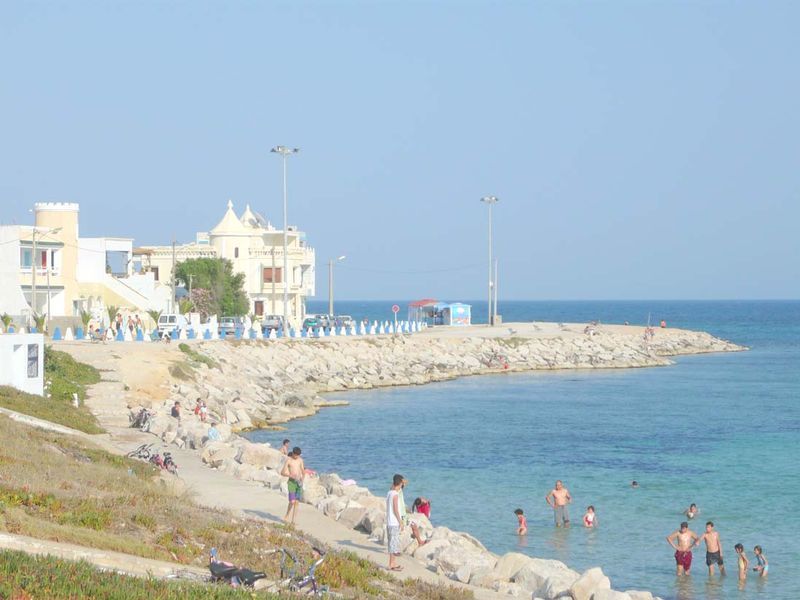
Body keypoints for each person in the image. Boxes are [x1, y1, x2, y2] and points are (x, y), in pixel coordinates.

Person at [398, 478, 427, 547]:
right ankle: (420, 541)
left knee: (414, 526)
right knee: (414, 525)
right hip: (402, 518)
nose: (404, 485)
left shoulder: (397, 493)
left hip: (403, 516)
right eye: (403, 484)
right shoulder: (397, 493)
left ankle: (416, 538)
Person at [281, 447, 305, 525]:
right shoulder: (289, 460)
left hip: (299, 482)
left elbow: (303, 471)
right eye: (296, 455)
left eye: (298, 455)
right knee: (292, 501)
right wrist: (290, 475)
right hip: (291, 482)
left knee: (297, 502)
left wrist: (302, 479)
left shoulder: (300, 460)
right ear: (293, 453)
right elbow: (282, 472)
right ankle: (286, 516)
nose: (297, 457)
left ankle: (293, 520)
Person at [386, 474, 404, 571]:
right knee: (393, 544)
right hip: (394, 523)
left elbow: (392, 486)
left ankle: (392, 563)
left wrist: (399, 482)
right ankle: (391, 564)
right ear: (400, 483)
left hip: (389, 522)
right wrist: (400, 522)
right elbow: (396, 510)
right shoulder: (396, 495)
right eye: (402, 483)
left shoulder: (389, 493)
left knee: (391, 543)